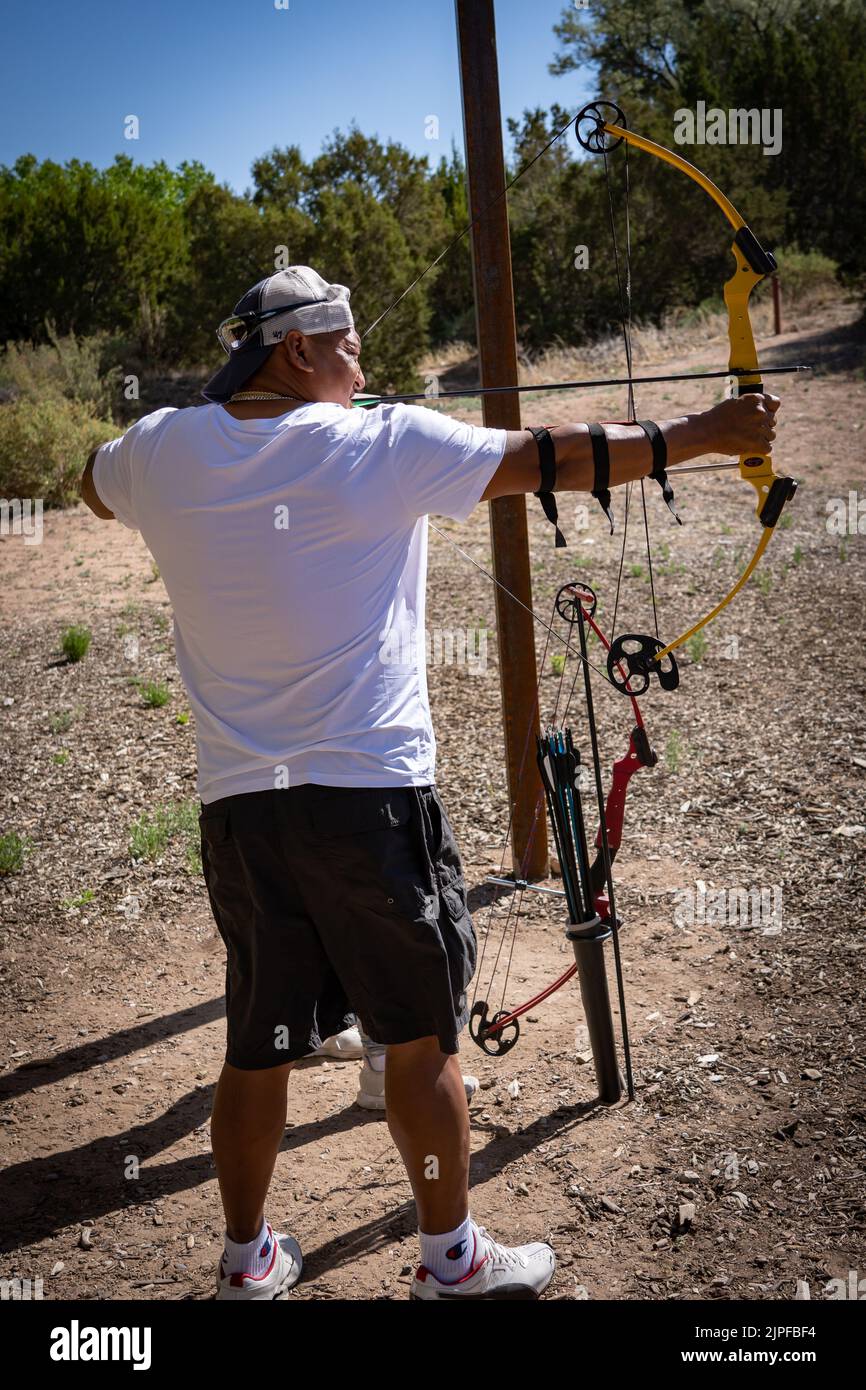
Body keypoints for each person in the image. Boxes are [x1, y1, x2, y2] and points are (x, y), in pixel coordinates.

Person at [81, 266, 779, 1300]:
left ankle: (245, 1261)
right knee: (416, 1041)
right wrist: (707, 432)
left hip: (240, 814)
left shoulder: (162, 449)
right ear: (299, 350)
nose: (363, 360)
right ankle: (452, 1260)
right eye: (348, 344)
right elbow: (559, 457)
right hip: (365, 802)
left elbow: (90, 485)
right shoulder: (382, 443)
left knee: (259, 1048)